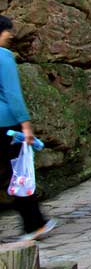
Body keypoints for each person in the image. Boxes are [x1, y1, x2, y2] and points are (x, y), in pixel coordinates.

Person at [0, 16, 57, 241]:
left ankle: (36, 222)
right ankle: (35, 223)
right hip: (6, 125)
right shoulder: (3, 57)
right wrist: (26, 125)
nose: (11, 35)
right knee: (17, 174)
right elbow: (13, 95)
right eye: (7, 31)